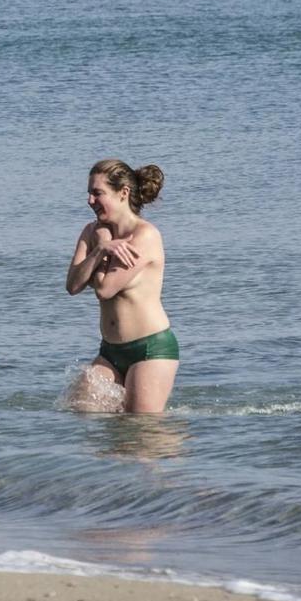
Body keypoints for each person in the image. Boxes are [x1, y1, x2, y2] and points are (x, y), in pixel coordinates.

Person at [65, 159, 178, 414]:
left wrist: (99, 250)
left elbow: (105, 288)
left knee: (140, 432)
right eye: (89, 193)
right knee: (79, 412)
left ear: (123, 193)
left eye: (97, 193)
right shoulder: (92, 232)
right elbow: (72, 285)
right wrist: (101, 249)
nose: (90, 201)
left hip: (150, 350)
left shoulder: (144, 236)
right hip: (110, 350)